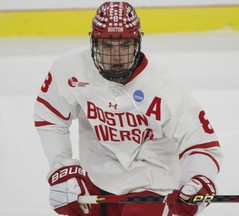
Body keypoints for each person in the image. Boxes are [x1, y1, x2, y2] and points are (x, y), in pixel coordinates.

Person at [33, 1, 223, 216]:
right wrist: (62, 167)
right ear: (93, 43)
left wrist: (198, 178)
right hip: (95, 180)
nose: (116, 57)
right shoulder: (71, 69)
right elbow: (49, 118)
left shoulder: (163, 86)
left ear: (138, 43)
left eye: (125, 46)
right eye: (107, 46)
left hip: (152, 183)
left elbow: (201, 143)